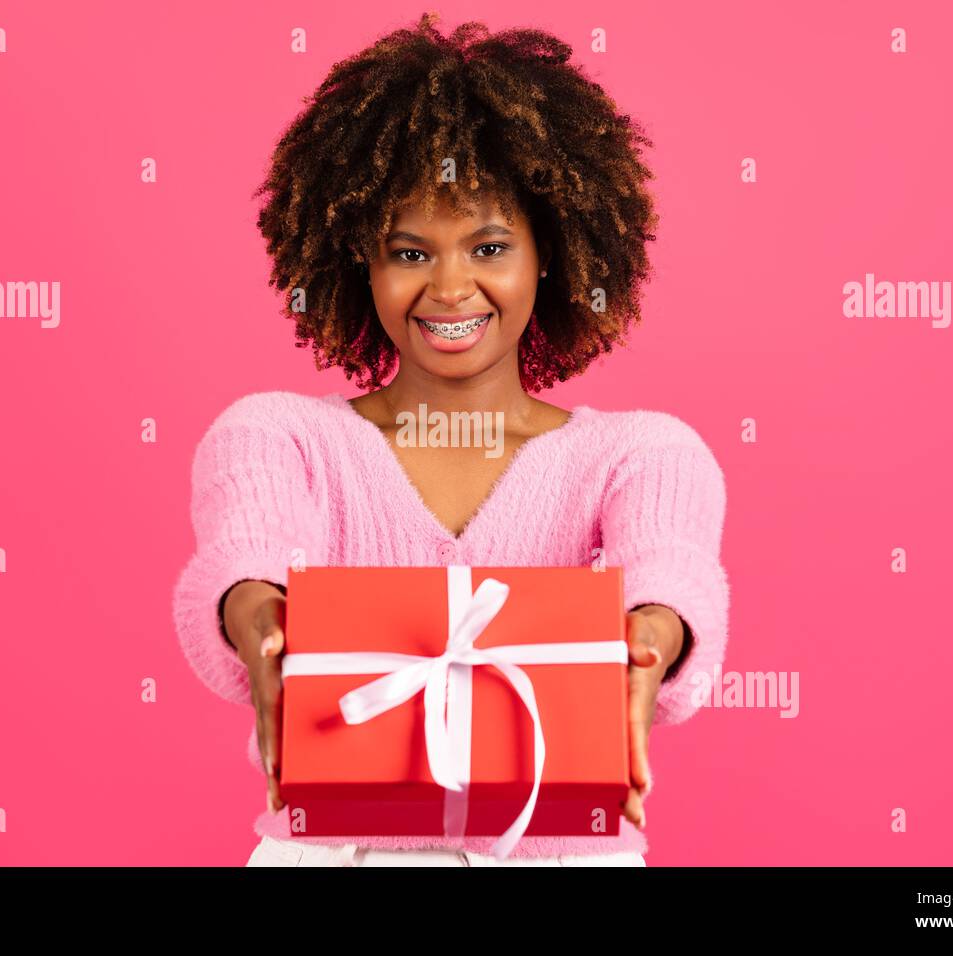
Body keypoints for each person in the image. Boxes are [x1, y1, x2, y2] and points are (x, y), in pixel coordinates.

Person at [172, 11, 730, 866]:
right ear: (361, 262)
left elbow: (669, 567)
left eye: (491, 245)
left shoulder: (637, 456)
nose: (451, 287)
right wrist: (259, 619)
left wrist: (652, 637)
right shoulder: (280, 437)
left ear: (552, 255)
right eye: (408, 251)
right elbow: (250, 551)